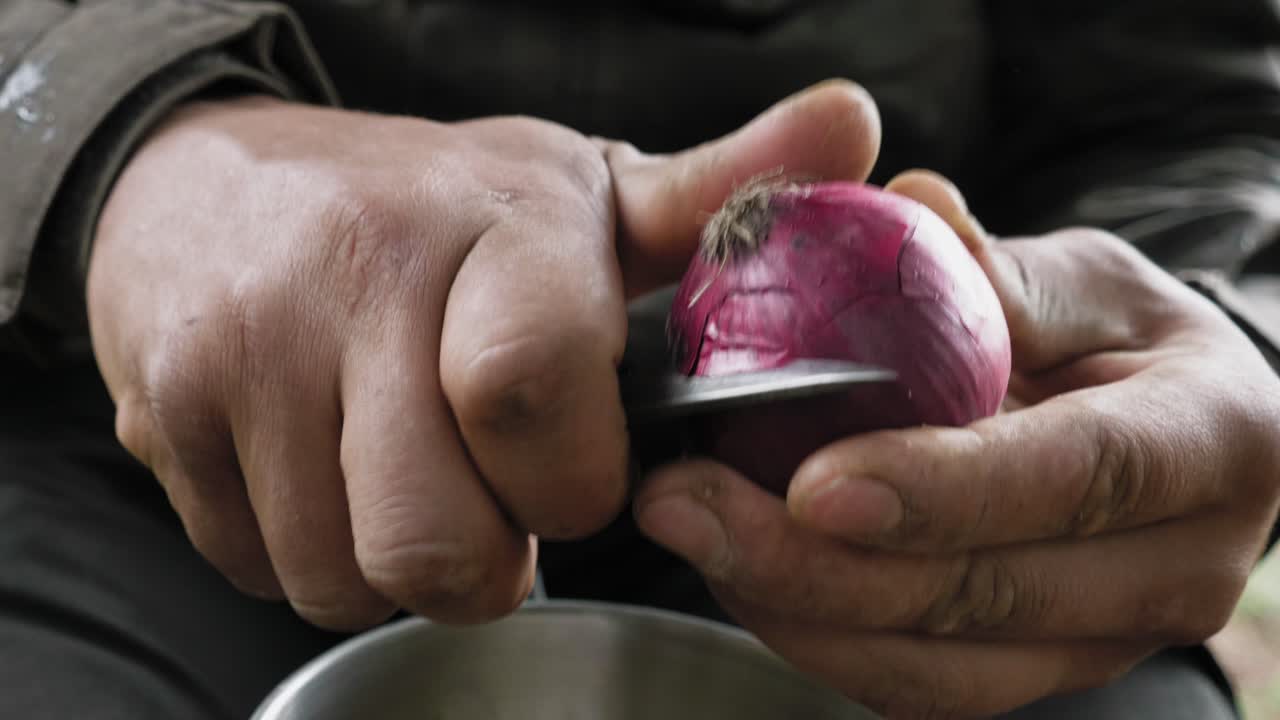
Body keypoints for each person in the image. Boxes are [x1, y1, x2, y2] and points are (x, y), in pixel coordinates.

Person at [2, 1, 1279, 717]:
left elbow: (1197, 112)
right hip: (120, 416)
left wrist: (1217, 333)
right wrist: (130, 144)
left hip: (894, 508)